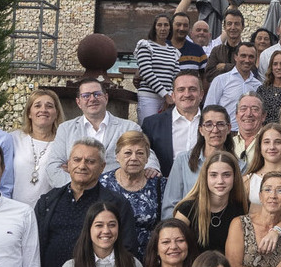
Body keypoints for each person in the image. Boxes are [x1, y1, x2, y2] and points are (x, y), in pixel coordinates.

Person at [44, 75, 136, 186]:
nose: (92, 99)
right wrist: (80, 187)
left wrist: (152, 168)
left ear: (106, 98)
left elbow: (146, 156)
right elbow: (53, 167)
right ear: (78, 102)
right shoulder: (66, 129)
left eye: (97, 94)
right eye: (86, 96)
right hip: (77, 196)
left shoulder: (129, 128)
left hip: (115, 195)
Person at [161, 106, 235, 216]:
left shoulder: (239, 166)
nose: (215, 130)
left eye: (220, 124)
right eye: (209, 125)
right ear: (201, 130)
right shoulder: (183, 161)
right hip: (186, 228)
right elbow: (170, 206)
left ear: (228, 128)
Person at [104, 129, 164, 257]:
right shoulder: (103, 184)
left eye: (140, 153)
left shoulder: (159, 184)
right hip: (114, 256)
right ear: (117, 156)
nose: (134, 158)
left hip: (150, 257)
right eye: (127, 153)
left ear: (148, 158)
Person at [174, 149, 247, 254]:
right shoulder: (187, 209)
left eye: (227, 175)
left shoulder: (243, 208)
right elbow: (174, 244)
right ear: (205, 177)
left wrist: (277, 230)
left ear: (235, 177)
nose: (220, 181)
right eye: (213, 175)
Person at [141, 70, 203, 178]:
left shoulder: (213, 123)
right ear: (173, 96)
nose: (187, 94)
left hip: (204, 186)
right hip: (166, 187)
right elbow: (144, 152)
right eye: (181, 90)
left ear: (201, 94)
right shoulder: (152, 124)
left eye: (192, 89)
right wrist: (151, 167)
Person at [11, 88, 64, 205]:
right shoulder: (14, 138)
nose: (43, 110)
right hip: (16, 210)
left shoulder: (64, 143)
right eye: (37, 106)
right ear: (29, 113)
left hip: (49, 212)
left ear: (56, 113)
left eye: (49, 106)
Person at [134, 13, 181, 122]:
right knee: (148, 132)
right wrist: (165, 94)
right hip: (149, 98)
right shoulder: (145, 45)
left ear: (170, 28)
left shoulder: (173, 51)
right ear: (154, 28)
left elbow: (176, 77)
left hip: (168, 100)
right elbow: (146, 72)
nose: (163, 28)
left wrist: (170, 95)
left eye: (166, 25)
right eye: (159, 25)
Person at [244, 125, 281, 210]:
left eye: (278, 142)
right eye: (266, 142)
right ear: (260, 147)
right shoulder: (247, 181)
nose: (272, 147)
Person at [203, 42, 261, 116]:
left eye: (251, 57)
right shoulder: (220, 81)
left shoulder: (258, 85)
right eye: (243, 56)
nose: (247, 60)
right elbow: (208, 110)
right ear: (235, 57)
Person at [201, 6, 248, 86]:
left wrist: (225, 66)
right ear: (224, 27)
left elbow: (249, 71)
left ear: (242, 27)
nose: (233, 27)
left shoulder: (248, 51)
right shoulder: (216, 51)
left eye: (236, 24)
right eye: (229, 24)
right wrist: (237, 68)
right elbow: (209, 74)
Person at [169, 9, 206, 75]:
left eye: (185, 25)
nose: (182, 28)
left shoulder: (197, 50)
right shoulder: (161, 47)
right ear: (171, 26)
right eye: (178, 25)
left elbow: (205, 78)